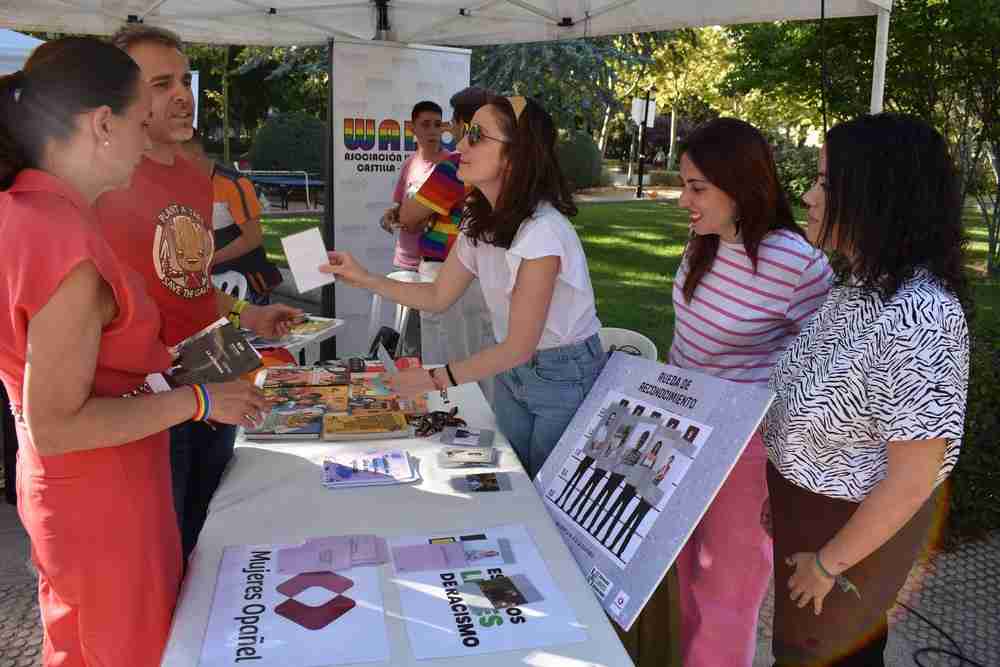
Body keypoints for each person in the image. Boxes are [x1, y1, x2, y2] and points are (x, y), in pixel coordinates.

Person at [0, 37, 266, 666]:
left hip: (92, 490)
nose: (147, 144)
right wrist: (198, 400)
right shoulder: (61, 234)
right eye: (139, 123)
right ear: (101, 124)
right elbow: (60, 424)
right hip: (102, 498)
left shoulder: (32, 211)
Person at [763, 113, 970, 666]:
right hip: (807, 518)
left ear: (879, 194)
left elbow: (912, 480)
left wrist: (830, 563)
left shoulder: (920, 317)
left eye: (827, 183)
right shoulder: (857, 288)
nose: (807, 195)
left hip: (846, 540)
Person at [95, 25, 301, 562]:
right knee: (167, 552)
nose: (182, 94)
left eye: (183, 79)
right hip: (146, 398)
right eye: (161, 84)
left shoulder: (194, 175)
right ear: (120, 97)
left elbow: (188, 283)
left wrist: (248, 315)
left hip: (213, 373)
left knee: (214, 531)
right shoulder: (100, 180)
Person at [322, 95, 604, 476]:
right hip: (514, 367)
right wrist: (365, 278)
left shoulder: (543, 232)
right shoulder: (479, 219)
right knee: (513, 477)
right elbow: (438, 296)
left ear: (516, 155)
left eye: (477, 136)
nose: (459, 144)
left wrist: (434, 379)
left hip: (561, 372)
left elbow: (520, 346)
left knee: (543, 491)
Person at [668, 118, 833, 667]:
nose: (684, 200)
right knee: (681, 574)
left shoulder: (797, 262)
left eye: (697, 188)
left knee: (727, 594)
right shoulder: (702, 243)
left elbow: (820, 373)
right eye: (684, 184)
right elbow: (685, 342)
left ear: (739, 185)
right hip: (680, 433)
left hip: (745, 449)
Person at [392, 87, 495, 401]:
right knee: (484, 355)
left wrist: (417, 212)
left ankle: (455, 423)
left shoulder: (456, 166)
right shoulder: (506, 164)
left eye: (451, 120)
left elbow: (410, 217)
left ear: (466, 123)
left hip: (448, 272)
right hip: (488, 271)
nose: (448, 128)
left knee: (448, 359)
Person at [180, 132, 282, 305]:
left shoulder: (234, 184)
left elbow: (253, 238)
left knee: (244, 330)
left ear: (195, 155)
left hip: (243, 283)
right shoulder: (181, 184)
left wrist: (208, 261)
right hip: (204, 283)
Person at [382, 100, 449, 270]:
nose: (433, 131)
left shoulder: (452, 164)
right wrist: (391, 216)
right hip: (405, 260)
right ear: (413, 128)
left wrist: (424, 217)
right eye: (425, 125)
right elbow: (400, 205)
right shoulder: (408, 164)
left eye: (437, 124)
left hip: (439, 261)